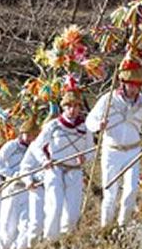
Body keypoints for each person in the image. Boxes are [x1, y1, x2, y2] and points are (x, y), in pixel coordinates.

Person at [86, 57, 142, 226]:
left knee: (131, 190)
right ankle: (105, 226)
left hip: (133, 151)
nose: (135, 88)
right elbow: (89, 121)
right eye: (131, 84)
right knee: (110, 192)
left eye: (137, 85)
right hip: (112, 151)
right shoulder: (108, 100)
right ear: (123, 83)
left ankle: (124, 225)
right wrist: (98, 126)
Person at [29, 76, 95, 239]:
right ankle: (50, 242)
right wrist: (45, 160)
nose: (72, 110)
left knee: (72, 212)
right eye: (69, 106)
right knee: (55, 208)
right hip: (55, 169)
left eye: (75, 106)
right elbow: (37, 147)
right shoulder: (53, 126)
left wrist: (85, 158)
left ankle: (66, 240)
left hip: (75, 171)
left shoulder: (85, 128)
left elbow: (92, 150)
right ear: (63, 107)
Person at [0, 118, 39, 249]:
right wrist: (12, 174)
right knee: (7, 225)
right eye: (28, 135)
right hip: (12, 188)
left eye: (33, 136)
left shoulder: (35, 149)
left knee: (26, 223)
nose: (30, 138)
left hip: (27, 189)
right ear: (22, 133)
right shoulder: (12, 146)